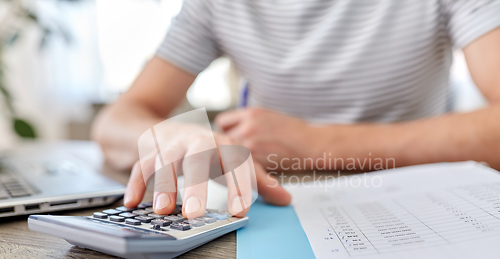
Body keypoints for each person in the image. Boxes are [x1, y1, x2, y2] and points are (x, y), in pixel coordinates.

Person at [91, 0, 500, 218]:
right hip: (272, 206)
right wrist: (174, 135)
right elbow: (117, 121)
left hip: (418, 204)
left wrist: (316, 144)